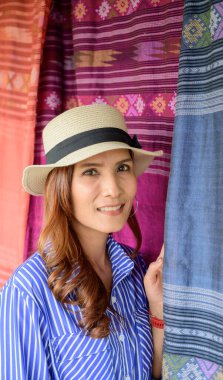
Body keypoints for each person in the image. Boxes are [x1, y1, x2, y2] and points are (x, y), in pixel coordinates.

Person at [0, 104, 164, 380]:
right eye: (91, 171)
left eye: (122, 167)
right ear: (61, 186)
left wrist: (158, 311)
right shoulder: (28, 293)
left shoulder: (136, 271)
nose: (113, 189)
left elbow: (153, 374)